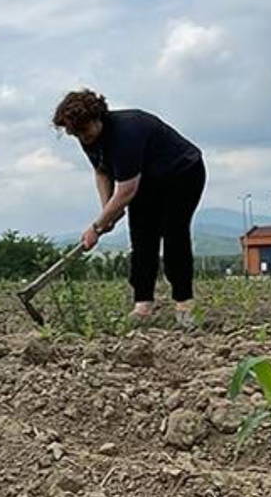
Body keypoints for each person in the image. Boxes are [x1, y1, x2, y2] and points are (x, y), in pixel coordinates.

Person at [52, 89, 205, 327]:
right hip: (146, 180)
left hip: (182, 173)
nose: (81, 137)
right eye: (75, 134)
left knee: (173, 233)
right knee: (142, 238)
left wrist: (96, 226)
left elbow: (126, 191)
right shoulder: (89, 138)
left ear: (97, 118)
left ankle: (184, 304)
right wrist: (108, 211)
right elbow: (102, 171)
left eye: (83, 130)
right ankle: (143, 304)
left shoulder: (126, 132)